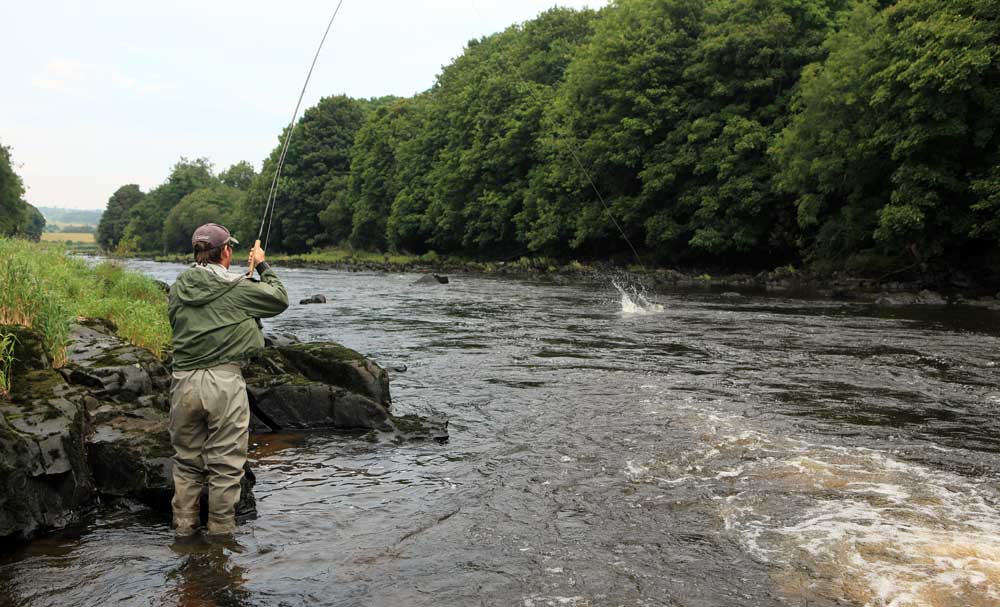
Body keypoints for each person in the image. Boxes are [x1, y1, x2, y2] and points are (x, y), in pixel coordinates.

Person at [167, 223, 288, 538]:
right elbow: (278, 299)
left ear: (197, 252)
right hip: (224, 382)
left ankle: (183, 534)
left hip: (183, 384)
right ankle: (220, 541)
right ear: (225, 251)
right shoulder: (239, 288)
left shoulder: (178, 286)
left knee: (186, 464)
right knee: (225, 466)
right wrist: (261, 265)